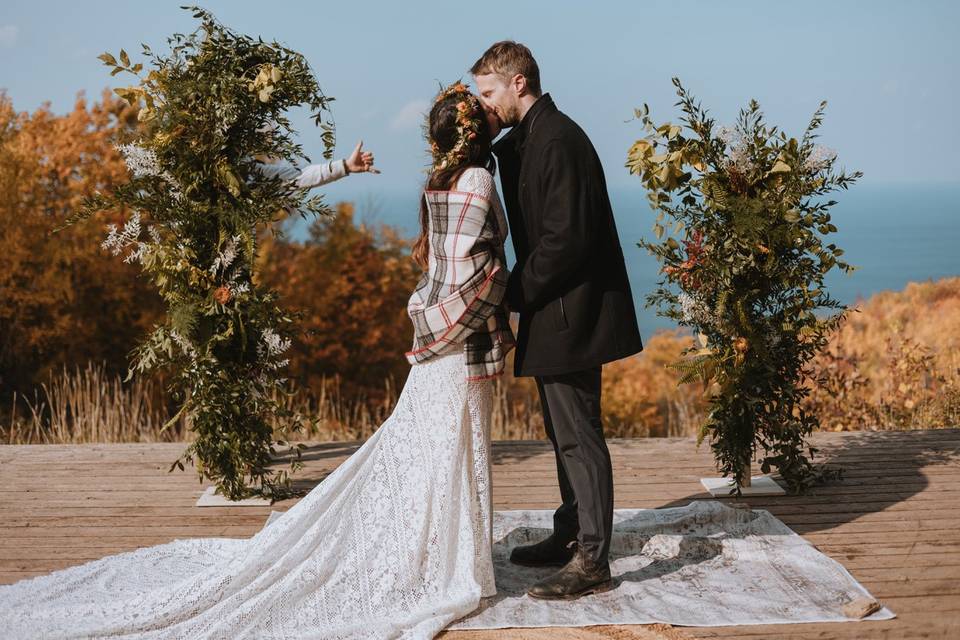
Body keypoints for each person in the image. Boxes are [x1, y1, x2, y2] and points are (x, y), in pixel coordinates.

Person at [0, 82, 515, 639]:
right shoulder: (478, 181)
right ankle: (448, 557)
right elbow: (475, 268)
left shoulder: (440, 183)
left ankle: (444, 545)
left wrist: (343, 165)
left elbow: (290, 185)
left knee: (435, 446)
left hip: (435, 344)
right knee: (451, 444)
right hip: (456, 342)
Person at [471, 40, 644, 600]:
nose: (484, 106)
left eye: (489, 93)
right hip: (556, 309)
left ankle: (594, 560)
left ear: (518, 84)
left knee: (579, 436)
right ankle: (571, 533)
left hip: (574, 310)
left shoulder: (560, 139)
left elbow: (566, 241)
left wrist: (506, 291)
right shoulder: (530, 139)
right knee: (560, 432)